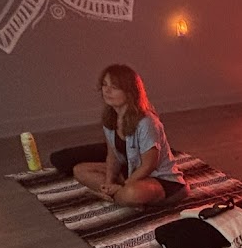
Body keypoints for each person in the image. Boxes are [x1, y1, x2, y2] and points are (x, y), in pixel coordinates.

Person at [72, 64, 185, 207]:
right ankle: (115, 194)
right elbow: (112, 157)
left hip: (159, 178)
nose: (107, 90)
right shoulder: (110, 118)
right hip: (131, 172)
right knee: (80, 170)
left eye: (114, 87)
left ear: (130, 92)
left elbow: (149, 165)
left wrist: (124, 185)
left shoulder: (147, 122)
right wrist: (108, 182)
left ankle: (120, 196)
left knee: (131, 193)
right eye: (104, 85)